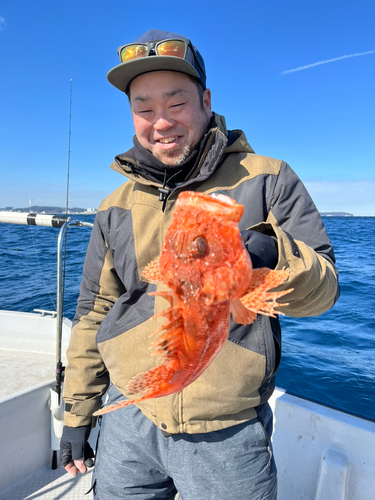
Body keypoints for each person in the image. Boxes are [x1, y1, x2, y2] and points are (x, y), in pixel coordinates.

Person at [60, 29, 339, 499]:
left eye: (176, 103)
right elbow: (94, 313)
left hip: (225, 432)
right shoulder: (114, 206)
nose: (161, 122)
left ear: (205, 101)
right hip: (130, 414)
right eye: (144, 108)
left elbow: (325, 290)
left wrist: (272, 252)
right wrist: (78, 414)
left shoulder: (268, 178)